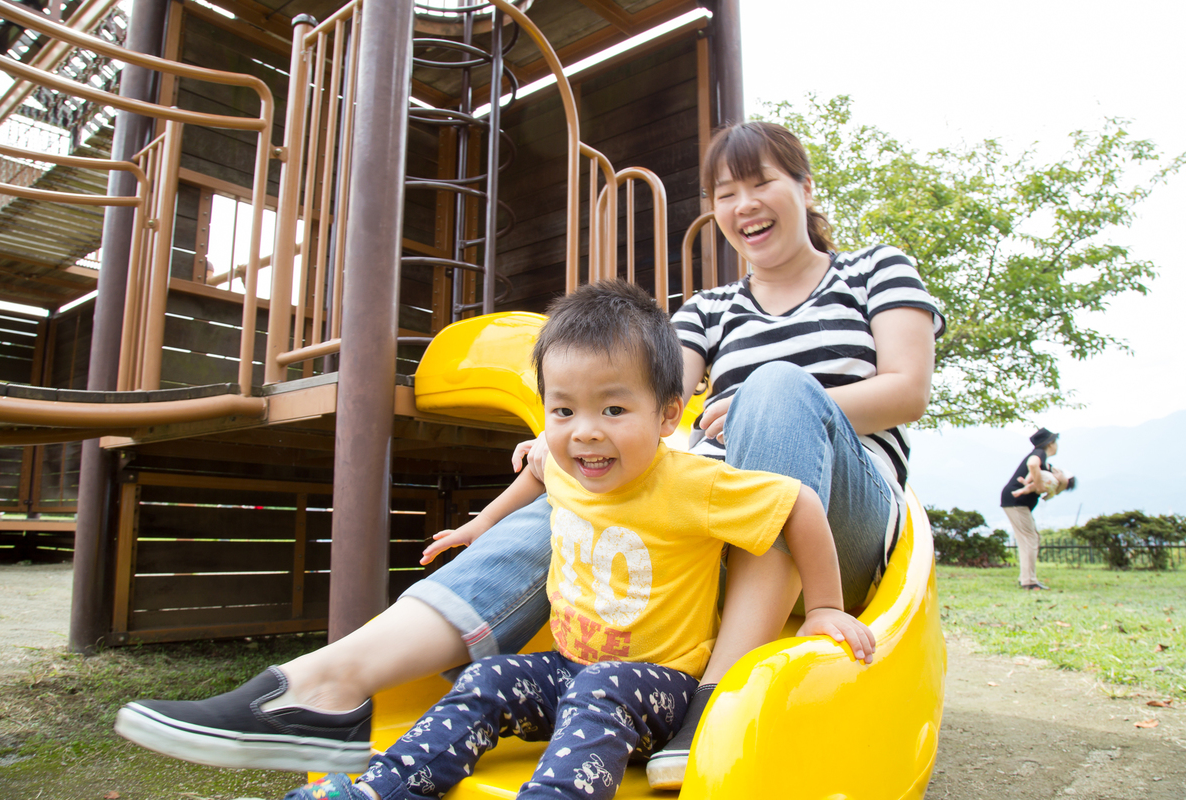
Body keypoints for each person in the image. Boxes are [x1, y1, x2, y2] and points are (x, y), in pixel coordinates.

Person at [114, 120, 944, 790]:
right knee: (594, 477)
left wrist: (764, 397)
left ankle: (717, 694)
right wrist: (580, 439)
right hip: (717, 514)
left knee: (774, 387)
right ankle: (328, 684)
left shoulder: (873, 270)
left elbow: (906, 388)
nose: (745, 203)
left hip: (850, 519)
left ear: (803, 189)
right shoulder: (709, 309)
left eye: (762, 181)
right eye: (726, 192)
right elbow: (659, 415)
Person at [276, 279, 871, 800]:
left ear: (668, 415)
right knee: (485, 679)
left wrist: (822, 606)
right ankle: (385, 788)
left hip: (658, 689)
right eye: (563, 411)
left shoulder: (695, 483)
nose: (585, 433)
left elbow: (799, 503)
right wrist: (482, 523)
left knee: (599, 686)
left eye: (613, 409)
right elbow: (538, 470)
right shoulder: (566, 460)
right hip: (568, 667)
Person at [1000, 427, 1064, 590]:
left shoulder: (1045, 462)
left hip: (1014, 500)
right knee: (1030, 538)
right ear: (1050, 444)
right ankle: (1029, 581)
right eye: (1055, 442)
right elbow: (1032, 464)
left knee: (1028, 537)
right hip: (1016, 500)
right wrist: (1041, 485)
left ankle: (1026, 578)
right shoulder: (1039, 453)